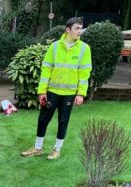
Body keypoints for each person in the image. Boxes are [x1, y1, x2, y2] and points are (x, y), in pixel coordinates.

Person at [21, 17, 92, 160]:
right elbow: (46, 70)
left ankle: (56, 149)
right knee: (43, 119)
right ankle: (37, 148)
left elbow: (85, 73)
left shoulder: (85, 49)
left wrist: (81, 94)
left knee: (63, 121)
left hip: (69, 94)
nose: (80, 31)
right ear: (68, 29)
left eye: (81, 28)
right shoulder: (54, 47)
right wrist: (42, 91)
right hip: (52, 91)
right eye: (77, 28)